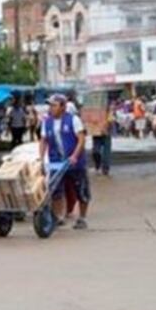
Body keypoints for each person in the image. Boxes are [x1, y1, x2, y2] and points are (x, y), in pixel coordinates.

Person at [39, 94, 90, 230]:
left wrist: (74, 156)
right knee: (55, 189)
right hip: (56, 161)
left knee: (81, 190)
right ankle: (58, 217)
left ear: (63, 107)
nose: (51, 108)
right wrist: (41, 158)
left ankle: (82, 218)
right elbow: (43, 140)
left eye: (54, 105)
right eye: (50, 105)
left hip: (75, 162)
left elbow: (81, 139)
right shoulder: (47, 122)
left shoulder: (73, 120)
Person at [91, 102, 113, 176]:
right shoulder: (93, 109)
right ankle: (97, 165)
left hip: (106, 133)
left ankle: (105, 169)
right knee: (95, 151)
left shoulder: (108, 109)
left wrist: (105, 126)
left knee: (106, 152)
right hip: (96, 133)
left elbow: (110, 120)